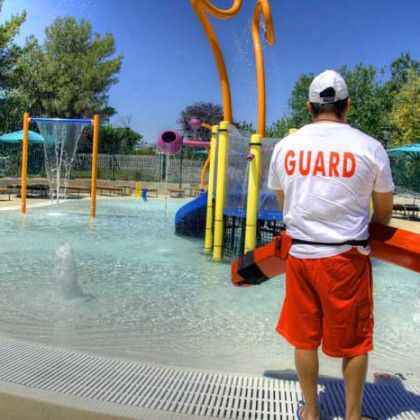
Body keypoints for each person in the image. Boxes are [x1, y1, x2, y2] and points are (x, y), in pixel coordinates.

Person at [267, 70, 394, 420]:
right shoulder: (370, 147)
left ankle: (311, 411)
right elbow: (383, 212)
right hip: (346, 259)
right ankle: (353, 416)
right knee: (354, 343)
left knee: (304, 339)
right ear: (347, 105)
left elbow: (283, 202)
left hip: (300, 254)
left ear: (309, 108)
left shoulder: (284, 148)